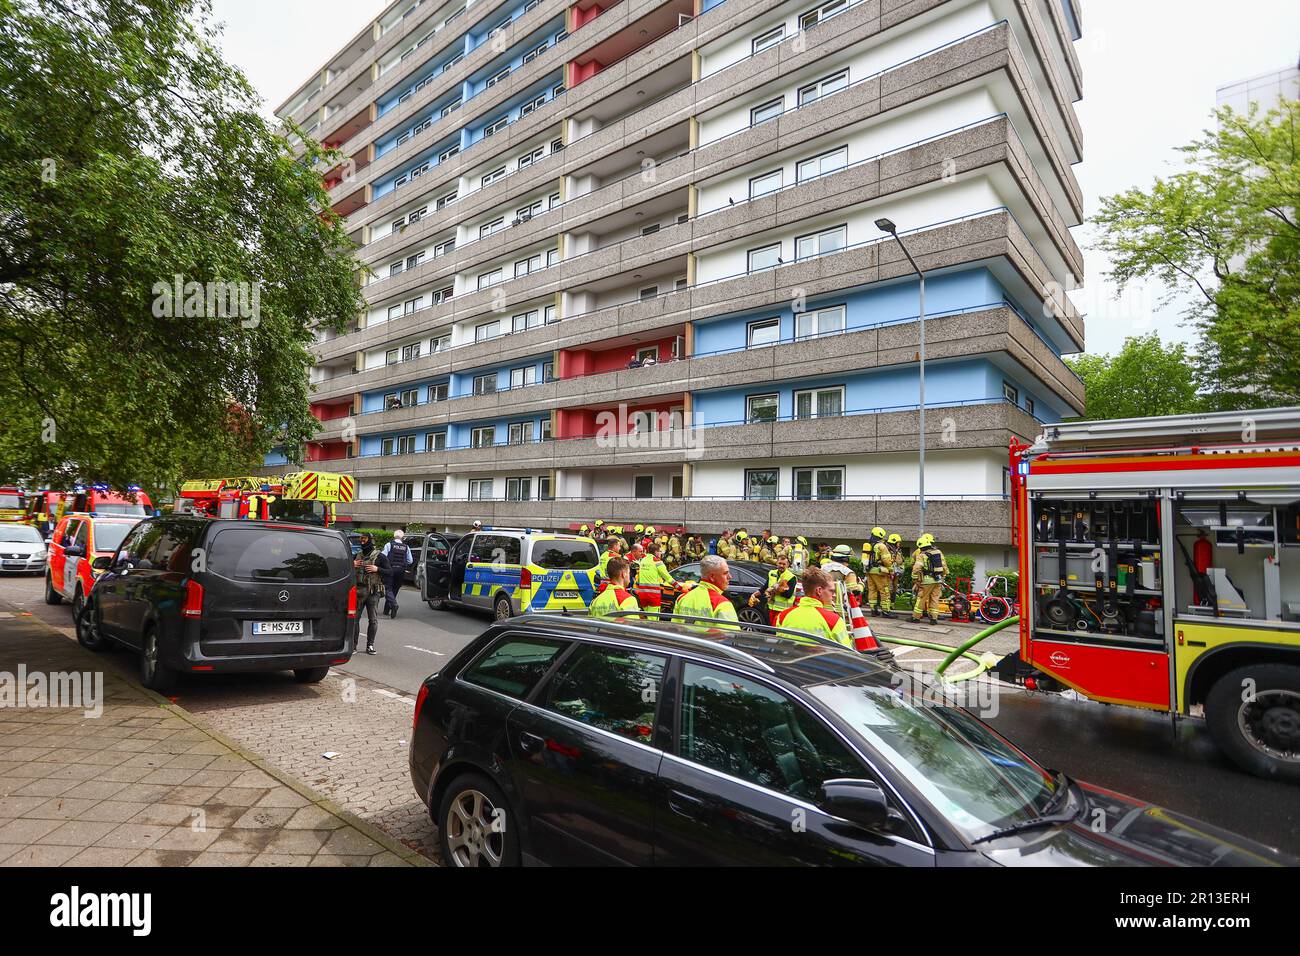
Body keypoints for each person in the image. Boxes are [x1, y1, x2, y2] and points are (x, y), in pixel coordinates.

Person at [777, 567, 852, 648]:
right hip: (820, 660)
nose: (833, 595)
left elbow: (780, 645)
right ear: (819, 591)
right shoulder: (834, 621)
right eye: (831, 591)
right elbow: (847, 652)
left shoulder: (783, 616)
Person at [675, 555, 738, 625]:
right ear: (712, 577)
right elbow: (731, 634)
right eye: (725, 573)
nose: (730, 577)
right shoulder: (722, 604)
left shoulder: (682, 598)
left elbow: (675, 629)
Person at [353, 533, 389, 655]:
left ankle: (370, 645)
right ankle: (353, 646)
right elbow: (344, 569)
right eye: (360, 539)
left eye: (364, 539)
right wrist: (351, 564)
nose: (362, 541)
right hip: (359, 592)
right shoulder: (357, 555)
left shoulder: (380, 556)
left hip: (373, 592)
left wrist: (377, 569)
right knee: (355, 620)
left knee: (373, 620)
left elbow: (390, 572)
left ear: (370, 540)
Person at [911, 533, 949, 625]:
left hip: (927, 581)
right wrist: (943, 576)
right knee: (934, 599)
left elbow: (916, 569)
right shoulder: (938, 552)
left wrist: (914, 579)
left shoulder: (921, 555)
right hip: (938, 580)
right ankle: (933, 619)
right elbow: (944, 566)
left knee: (921, 598)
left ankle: (915, 618)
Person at [758, 553, 798, 626]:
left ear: (787, 565)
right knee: (772, 630)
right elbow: (765, 587)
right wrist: (755, 594)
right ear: (777, 563)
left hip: (783, 611)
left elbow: (788, 594)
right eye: (780, 563)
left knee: (779, 632)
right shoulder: (771, 573)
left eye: (784, 564)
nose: (781, 566)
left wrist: (774, 589)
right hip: (771, 609)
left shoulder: (791, 577)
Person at [636, 540, 676, 612]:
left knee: (645, 617)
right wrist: (681, 588)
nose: (661, 553)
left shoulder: (643, 560)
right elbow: (669, 579)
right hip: (653, 595)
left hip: (642, 594)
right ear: (656, 552)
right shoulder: (657, 562)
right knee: (653, 619)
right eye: (660, 551)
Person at [380, 530, 412, 618]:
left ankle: (393, 604)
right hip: (401, 571)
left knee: (387, 588)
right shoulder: (406, 547)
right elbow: (410, 561)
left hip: (390, 569)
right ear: (402, 537)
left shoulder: (389, 545)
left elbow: (383, 556)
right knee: (394, 589)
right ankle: (387, 610)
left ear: (394, 536)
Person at [865, 526, 894, 618]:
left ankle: (873, 610)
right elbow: (887, 560)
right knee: (884, 591)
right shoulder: (881, 546)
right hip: (879, 572)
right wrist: (891, 570)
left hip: (869, 571)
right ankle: (886, 611)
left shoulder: (868, 545)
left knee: (872, 590)